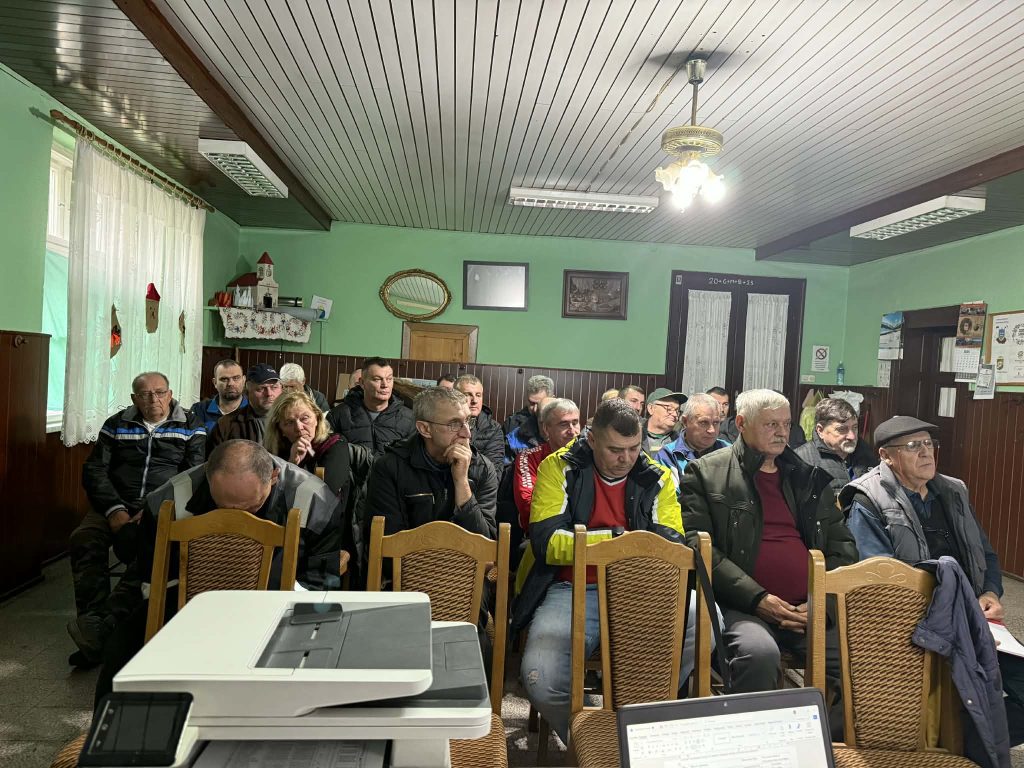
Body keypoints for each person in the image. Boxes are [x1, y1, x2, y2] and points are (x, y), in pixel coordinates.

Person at [94, 440, 343, 705]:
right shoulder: (171, 497)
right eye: (221, 506)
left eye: (250, 508)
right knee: (121, 649)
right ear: (207, 475)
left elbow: (320, 582)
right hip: (191, 604)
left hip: (278, 607)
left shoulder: (314, 501)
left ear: (273, 477)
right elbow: (152, 575)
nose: (235, 518)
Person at [513, 399, 693, 743]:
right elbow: (548, 544)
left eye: (634, 448)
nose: (626, 458)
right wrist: (620, 541)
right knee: (542, 679)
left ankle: (638, 714)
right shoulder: (558, 467)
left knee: (706, 621)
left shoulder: (656, 475)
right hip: (570, 587)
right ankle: (601, 746)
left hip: (639, 587)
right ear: (592, 439)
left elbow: (672, 547)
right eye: (615, 449)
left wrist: (599, 544)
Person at [841, 415, 1024, 746]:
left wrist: (990, 593)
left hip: (971, 617)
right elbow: (878, 581)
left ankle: (963, 745)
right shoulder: (867, 498)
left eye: (929, 443)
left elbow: (986, 555)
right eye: (913, 446)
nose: (926, 452)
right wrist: (955, 622)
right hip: (915, 624)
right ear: (886, 456)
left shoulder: (953, 490)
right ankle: (962, 744)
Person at [680, 389, 857, 695]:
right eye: (771, 424)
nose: (781, 433)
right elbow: (699, 546)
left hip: (809, 608)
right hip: (740, 606)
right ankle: (752, 728)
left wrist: (821, 604)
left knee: (864, 657)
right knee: (759, 654)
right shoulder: (706, 473)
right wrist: (758, 599)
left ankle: (825, 728)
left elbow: (843, 548)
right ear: (741, 423)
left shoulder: (808, 478)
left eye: (786, 424)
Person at [68, 372, 205, 666]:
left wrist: (156, 506)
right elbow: (95, 470)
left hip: (160, 507)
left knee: (151, 549)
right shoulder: (116, 424)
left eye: (160, 392)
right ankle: (90, 626)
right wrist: (114, 509)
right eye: (145, 394)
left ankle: (108, 628)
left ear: (170, 394)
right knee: (84, 539)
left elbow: (191, 475)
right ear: (134, 399)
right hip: (112, 504)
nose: (153, 399)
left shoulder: (191, 425)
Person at [359, 387, 497, 547]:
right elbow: (388, 545)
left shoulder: (483, 468)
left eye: (468, 421)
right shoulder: (390, 467)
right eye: (454, 424)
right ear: (425, 429)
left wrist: (461, 482)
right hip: (408, 563)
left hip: (467, 563)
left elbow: (485, 546)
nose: (467, 433)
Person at [264, 391, 372, 575]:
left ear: (317, 417)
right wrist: (292, 462)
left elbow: (323, 499)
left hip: (326, 534)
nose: (299, 427)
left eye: (304, 418)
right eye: (289, 422)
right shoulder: (273, 454)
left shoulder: (336, 446)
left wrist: (293, 470)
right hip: (280, 529)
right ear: (280, 429)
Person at [511, 398, 581, 532]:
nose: (572, 431)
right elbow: (527, 505)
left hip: (584, 532)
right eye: (564, 424)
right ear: (546, 429)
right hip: (542, 532)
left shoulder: (590, 455)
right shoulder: (529, 457)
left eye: (575, 423)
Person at [327, 357, 415, 454]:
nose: (385, 385)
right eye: (377, 379)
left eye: (389, 379)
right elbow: (327, 452)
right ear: (362, 383)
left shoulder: (409, 418)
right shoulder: (339, 415)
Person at [794, 396, 876, 495]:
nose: (852, 436)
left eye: (855, 427)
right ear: (820, 430)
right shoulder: (801, 460)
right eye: (842, 429)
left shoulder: (865, 451)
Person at [654, 393, 731, 492]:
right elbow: (671, 498)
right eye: (703, 422)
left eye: (716, 422)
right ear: (685, 422)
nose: (711, 430)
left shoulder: (729, 451)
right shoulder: (668, 456)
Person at [206, 363, 283, 451]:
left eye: (274, 387)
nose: (269, 394)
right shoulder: (226, 425)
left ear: (282, 389)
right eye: (261, 389)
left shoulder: (291, 421)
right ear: (247, 390)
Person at [454, 374, 505, 470]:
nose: (474, 400)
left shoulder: (493, 429)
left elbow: (495, 472)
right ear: (455, 397)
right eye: (467, 395)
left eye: (478, 395)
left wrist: (469, 455)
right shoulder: (443, 423)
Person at [503, 375, 554, 459]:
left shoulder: (565, 423)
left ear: (552, 399)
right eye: (531, 403)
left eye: (539, 403)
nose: (535, 409)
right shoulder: (511, 423)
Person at [189, 358, 247, 432]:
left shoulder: (254, 411)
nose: (231, 384)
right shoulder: (199, 410)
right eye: (224, 379)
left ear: (243, 380)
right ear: (215, 383)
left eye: (236, 378)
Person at [642, 387, 686, 455]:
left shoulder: (681, 441)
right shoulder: (633, 435)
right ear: (651, 408)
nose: (675, 414)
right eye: (669, 408)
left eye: (677, 410)